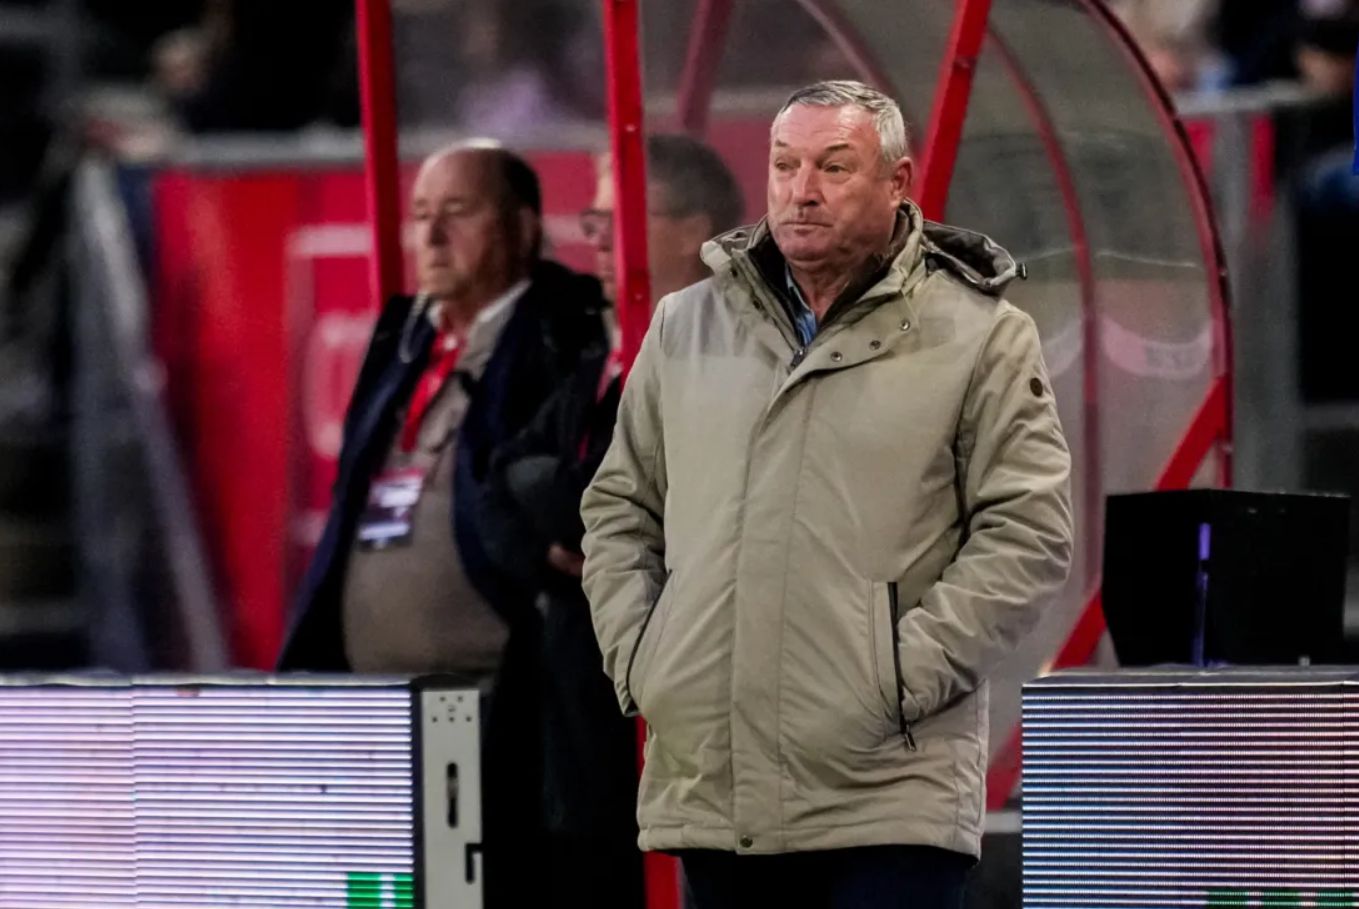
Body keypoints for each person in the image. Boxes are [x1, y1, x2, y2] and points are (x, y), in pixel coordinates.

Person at [580, 80, 1074, 909]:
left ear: (897, 182)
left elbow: (1028, 535)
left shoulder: (983, 334)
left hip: (889, 796)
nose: (801, 190)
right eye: (785, 165)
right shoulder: (684, 325)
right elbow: (619, 509)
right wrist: (646, 660)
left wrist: (895, 680)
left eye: (834, 167)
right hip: (718, 791)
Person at [277, 142, 607, 907]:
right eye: (421, 214)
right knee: (377, 895)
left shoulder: (558, 329)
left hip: (493, 713)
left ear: (524, 227)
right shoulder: (403, 336)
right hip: (372, 713)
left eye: (457, 212)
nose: (429, 236)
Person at [472, 134, 743, 908]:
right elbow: (499, 482)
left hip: (668, 725)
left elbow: (609, 499)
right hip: (572, 717)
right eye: (591, 221)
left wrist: (556, 499)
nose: (594, 240)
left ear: (693, 233)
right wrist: (551, 546)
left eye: (615, 218)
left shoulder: (731, 351)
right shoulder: (605, 354)